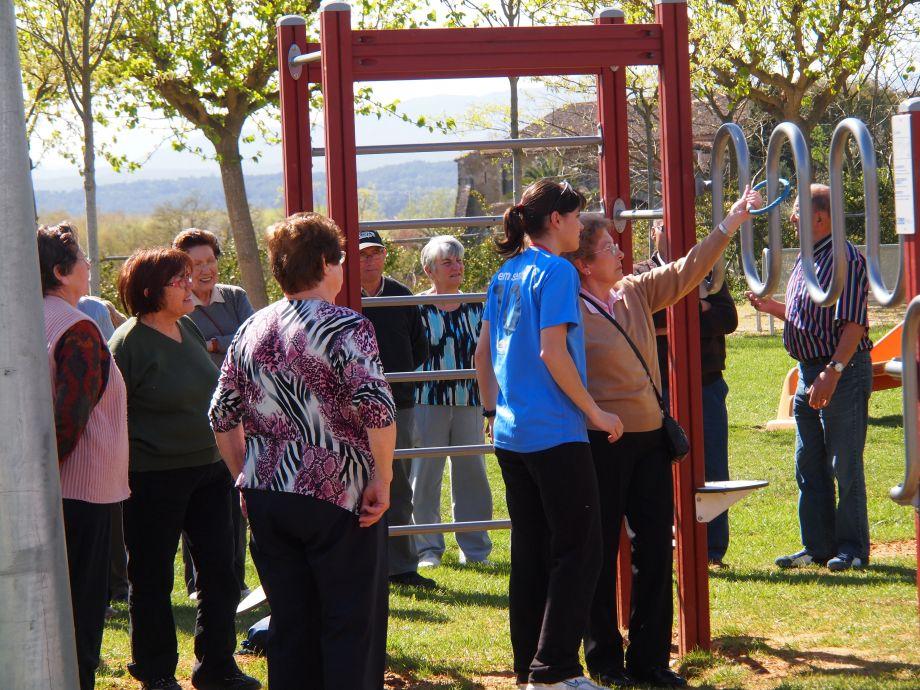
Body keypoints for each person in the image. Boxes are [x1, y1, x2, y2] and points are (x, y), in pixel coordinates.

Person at [564, 189, 760, 689]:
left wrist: (729, 224)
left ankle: (650, 658)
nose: (621, 253)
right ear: (585, 264)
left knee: (655, 547)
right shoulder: (566, 307)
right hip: (601, 444)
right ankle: (604, 660)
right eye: (609, 247)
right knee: (600, 550)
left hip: (650, 440)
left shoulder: (633, 291)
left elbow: (687, 270)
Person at [209, 212, 396, 690]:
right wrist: (383, 478)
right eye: (339, 259)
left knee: (291, 627)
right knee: (350, 625)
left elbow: (221, 415)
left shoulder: (252, 327)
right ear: (324, 264)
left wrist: (244, 476)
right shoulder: (345, 327)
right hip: (340, 496)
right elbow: (376, 411)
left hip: (269, 494)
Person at [475, 179, 624, 690]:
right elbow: (552, 353)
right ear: (556, 221)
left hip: (512, 435)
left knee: (532, 552)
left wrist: (493, 409)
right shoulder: (558, 271)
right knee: (579, 551)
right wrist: (595, 413)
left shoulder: (505, 273)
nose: (581, 227)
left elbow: (482, 354)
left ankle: (529, 669)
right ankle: (556, 668)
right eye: (577, 217)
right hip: (556, 434)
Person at [109, 248, 260, 690]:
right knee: (152, 577)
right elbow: (112, 415)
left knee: (221, 572)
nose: (191, 284)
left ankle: (216, 666)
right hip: (153, 477)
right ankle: (155, 672)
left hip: (209, 471)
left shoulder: (188, 327)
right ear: (153, 291)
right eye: (180, 279)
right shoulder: (129, 344)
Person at [746, 183, 873, 572]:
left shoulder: (843, 259)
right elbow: (808, 317)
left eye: (798, 211)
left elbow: (853, 325)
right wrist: (773, 307)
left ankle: (851, 547)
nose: (792, 216)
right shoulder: (805, 258)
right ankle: (818, 546)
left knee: (843, 463)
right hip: (808, 372)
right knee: (809, 462)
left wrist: (832, 373)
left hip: (840, 370)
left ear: (820, 218)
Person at [38, 223, 130, 690]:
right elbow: (68, 417)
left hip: (51, 487)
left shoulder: (32, 317)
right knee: (82, 603)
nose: (90, 266)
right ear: (59, 270)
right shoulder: (78, 327)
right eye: (81, 259)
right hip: (80, 487)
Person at [634, 220, 738, 566]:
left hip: (705, 382)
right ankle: (670, 540)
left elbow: (727, 318)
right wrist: (694, 309)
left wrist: (682, 315)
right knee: (659, 468)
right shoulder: (640, 273)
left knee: (712, 464)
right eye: (663, 224)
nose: (672, 230)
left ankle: (712, 548)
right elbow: (646, 319)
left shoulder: (706, 272)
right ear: (653, 232)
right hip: (659, 389)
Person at [173, 228, 255, 598]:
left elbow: (250, 338)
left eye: (210, 261)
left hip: (242, 414)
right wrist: (225, 345)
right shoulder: (179, 305)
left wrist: (211, 344)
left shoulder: (235, 296)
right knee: (200, 504)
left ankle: (235, 579)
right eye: (195, 264)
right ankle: (198, 583)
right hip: (196, 416)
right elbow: (186, 351)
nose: (205, 270)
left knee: (237, 496)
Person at [410, 235, 493, 568]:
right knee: (425, 475)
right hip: (426, 399)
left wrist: (492, 402)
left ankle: (475, 549)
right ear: (430, 270)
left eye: (459, 261)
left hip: (470, 399)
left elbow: (489, 354)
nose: (457, 267)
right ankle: (427, 549)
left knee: (472, 473)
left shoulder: (477, 303)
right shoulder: (413, 306)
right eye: (448, 262)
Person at [359, 228, 434, 588]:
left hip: (399, 404)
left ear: (384, 256)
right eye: (361, 254)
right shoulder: (342, 298)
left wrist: (399, 380)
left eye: (374, 252)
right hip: (353, 408)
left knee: (398, 483)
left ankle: (402, 566)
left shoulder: (402, 294)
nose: (369, 259)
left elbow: (419, 346)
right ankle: (363, 564)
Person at [77, 294, 131, 607]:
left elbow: (111, 364)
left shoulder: (94, 308)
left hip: (101, 427)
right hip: (74, 430)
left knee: (109, 513)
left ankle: (118, 586)